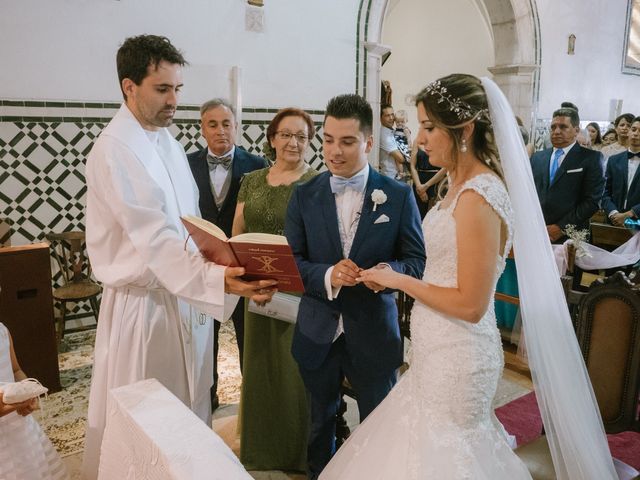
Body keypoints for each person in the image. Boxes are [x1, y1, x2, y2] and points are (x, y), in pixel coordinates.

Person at [319, 74, 618, 480]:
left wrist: (400, 282)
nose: (420, 140)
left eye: (428, 127)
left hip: (460, 357)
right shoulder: (456, 186)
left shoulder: (478, 196)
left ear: (464, 130)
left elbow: (471, 305)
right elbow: (445, 267)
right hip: (434, 351)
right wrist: (392, 271)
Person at [82, 35, 276, 479]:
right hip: (145, 310)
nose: (173, 101)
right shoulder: (116, 149)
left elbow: (189, 224)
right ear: (129, 87)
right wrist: (218, 280)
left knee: (191, 408)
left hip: (184, 298)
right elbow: (156, 240)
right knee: (150, 423)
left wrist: (223, 261)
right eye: (162, 89)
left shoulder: (164, 140)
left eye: (177, 90)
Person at [284, 94, 426, 479]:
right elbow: (293, 263)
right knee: (319, 426)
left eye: (346, 141)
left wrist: (386, 272)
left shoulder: (396, 195)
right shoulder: (305, 194)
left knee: (379, 427)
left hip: (374, 333)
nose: (334, 151)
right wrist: (329, 275)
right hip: (317, 331)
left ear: (367, 141)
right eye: (328, 139)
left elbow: (416, 261)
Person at [233, 108, 318, 472]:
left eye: (301, 136)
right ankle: (259, 449)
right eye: (286, 134)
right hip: (256, 290)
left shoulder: (316, 182)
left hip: (297, 292)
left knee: (292, 370)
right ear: (271, 138)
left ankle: (294, 452)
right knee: (258, 365)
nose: (293, 143)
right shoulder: (251, 181)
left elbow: (321, 241)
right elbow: (237, 232)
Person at [187, 98, 268, 411]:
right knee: (204, 339)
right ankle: (207, 397)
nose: (220, 130)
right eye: (213, 124)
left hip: (243, 267)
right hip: (203, 267)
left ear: (237, 127)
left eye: (227, 124)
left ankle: (254, 403)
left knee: (250, 338)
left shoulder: (258, 165)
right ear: (202, 128)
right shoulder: (187, 163)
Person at [0, 322, 68, 480]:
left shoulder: (2, 330)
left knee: (30, 467)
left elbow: (16, 370)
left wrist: (28, 393)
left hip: (18, 425)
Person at [530, 107, 604, 242]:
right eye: (553, 127)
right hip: (538, 231)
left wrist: (561, 228)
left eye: (563, 127)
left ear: (576, 130)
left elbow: (592, 201)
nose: (556, 131)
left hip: (571, 235)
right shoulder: (537, 157)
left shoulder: (591, 158)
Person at [602, 116, 640, 226]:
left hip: (637, 223)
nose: (636, 133)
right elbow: (605, 191)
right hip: (613, 221)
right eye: (633, 129)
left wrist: (631, 213)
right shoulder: (614, 160)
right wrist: (613, 213)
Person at [409, 137, 445, 218]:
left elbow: (445, 168)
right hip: (418, 182)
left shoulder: (443, 139)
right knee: (417, 216)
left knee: (434, 217)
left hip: (436, 182)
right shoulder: (418, 140)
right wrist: (419, 187)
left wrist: (425, 186)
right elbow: (412, 166)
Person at [379, 104, 406, 180]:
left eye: (392, 114)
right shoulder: (384, 135)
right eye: (387, 115)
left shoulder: (393, 131)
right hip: (391, 177)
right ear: (380, 118)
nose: (391, 118)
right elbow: (401, 158)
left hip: (396, 176)